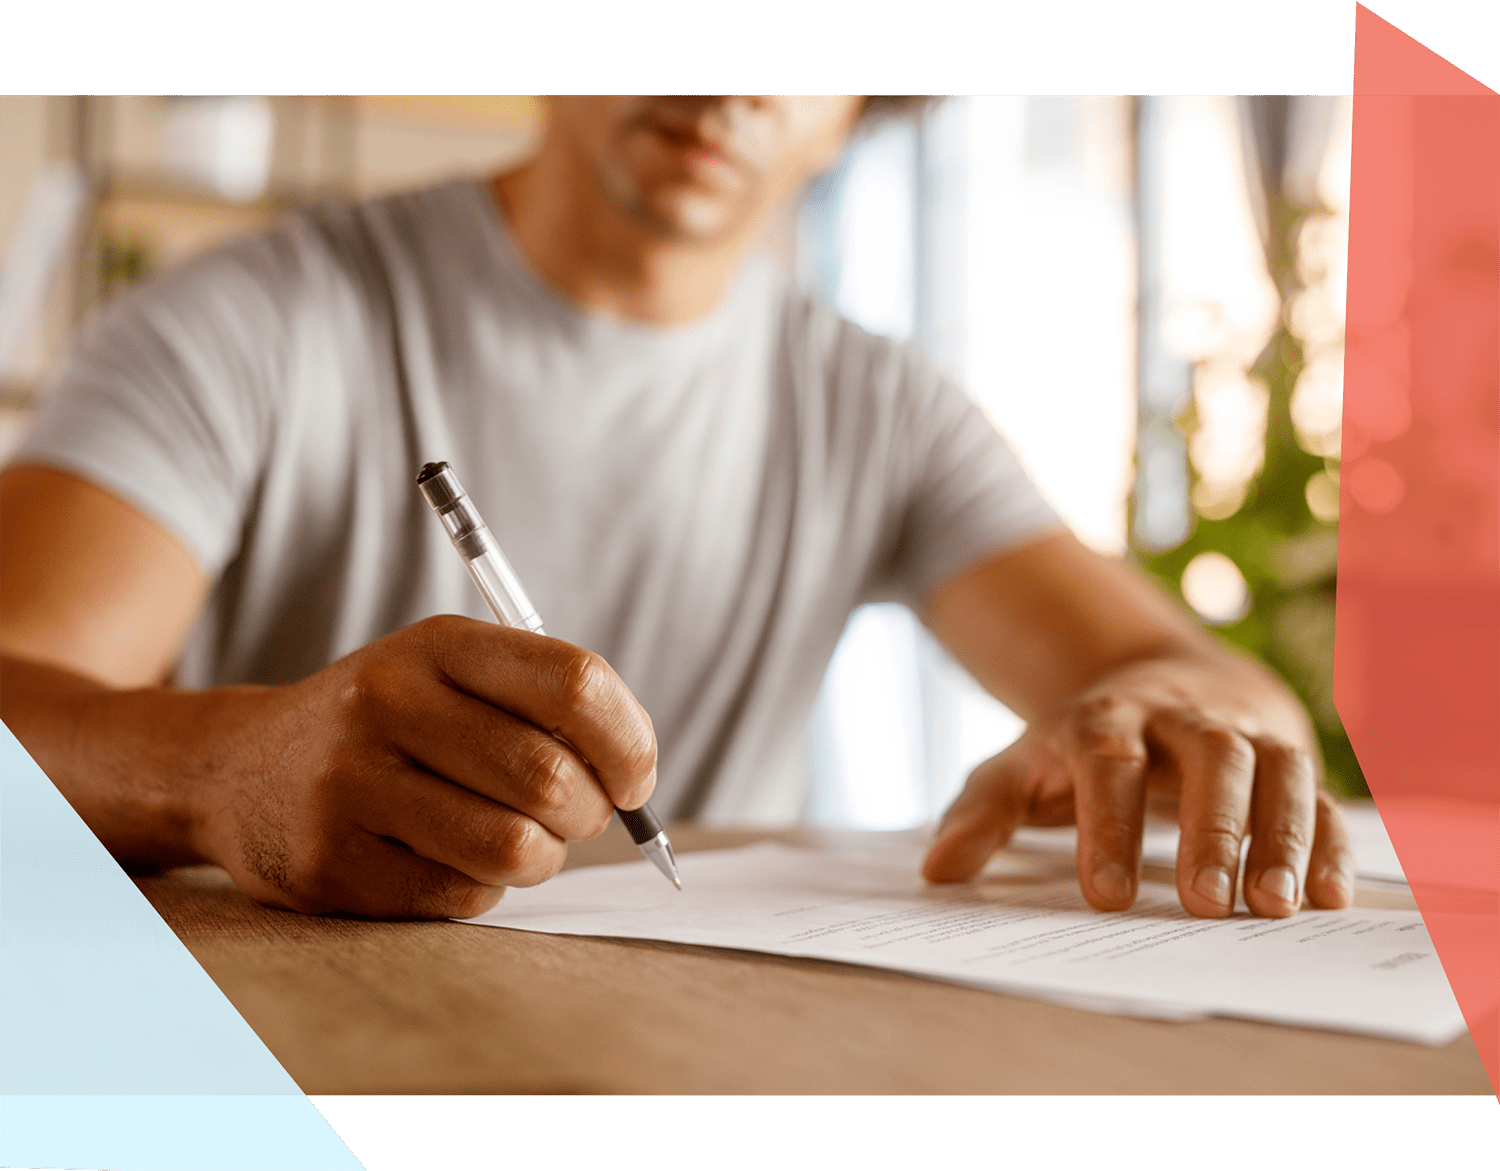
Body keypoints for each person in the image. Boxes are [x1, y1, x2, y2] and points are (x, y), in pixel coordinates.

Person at [0, 95, 1354, 922]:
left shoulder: (881, 406)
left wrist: (1159, 717)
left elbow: (1231, 692)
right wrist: (219, 773)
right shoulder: (244, 322)